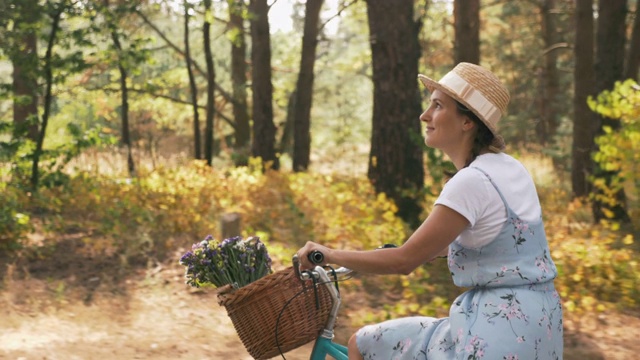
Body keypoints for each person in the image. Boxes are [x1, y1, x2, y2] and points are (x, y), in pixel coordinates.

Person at [296, 62, 563, 359]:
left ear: (467, 122)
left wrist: (328, 254)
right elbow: (497, 241)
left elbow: (404, 261)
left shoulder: (470, 181)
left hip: (491, 336)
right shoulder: (510, 167)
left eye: (437, 105)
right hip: (539, 328)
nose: (425, 115)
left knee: (365, 343)